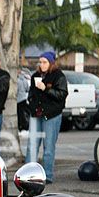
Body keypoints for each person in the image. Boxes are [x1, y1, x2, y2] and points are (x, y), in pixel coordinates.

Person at [26, 51, 68, 183]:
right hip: (36, 113)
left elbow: (62, 95)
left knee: (48, 146)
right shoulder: (35, 76)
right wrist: (32, 107)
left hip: (51, 115)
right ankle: (28, 174)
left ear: (51, 63)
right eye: (40, 62)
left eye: (45, 62)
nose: (42, 64)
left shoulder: (58, 76)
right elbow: (31, 95)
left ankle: (47, 175)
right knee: (32, 145)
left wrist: (46, 88)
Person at [16, 67, 31, 133]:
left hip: (18, 99)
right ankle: (25, 126)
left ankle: (21, 127)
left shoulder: (17, 80)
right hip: (24, 98)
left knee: (20, 115)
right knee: (24, 113)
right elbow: (27, 89)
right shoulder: (25, 79)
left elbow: (16, 90)